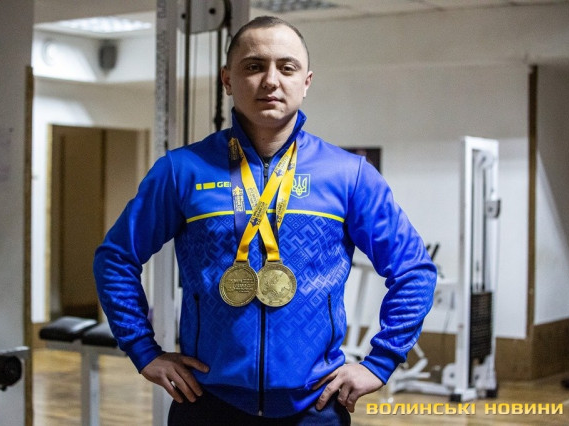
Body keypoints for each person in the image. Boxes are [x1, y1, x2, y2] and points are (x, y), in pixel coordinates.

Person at [94, 15, 437, 425]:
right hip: (207, 402)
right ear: (227, 79)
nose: (271, 80)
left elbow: (414, 270)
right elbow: (115, 258)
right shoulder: (181, 171)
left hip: (314, 407)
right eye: (254, 66)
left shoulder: (349, 175)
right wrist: (142, 349)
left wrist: (380, 361)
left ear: (306, 82)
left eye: (286, 67)